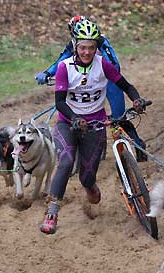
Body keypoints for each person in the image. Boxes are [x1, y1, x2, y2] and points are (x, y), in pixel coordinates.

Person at [40, 19, 149, 234]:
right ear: (75, 45)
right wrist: (74, 118)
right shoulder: (65, 68)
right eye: (82, 47)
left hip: (96, 124)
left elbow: (126, 85)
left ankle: (89, 185)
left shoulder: (102, 64)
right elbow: (60, 102)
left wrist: (137, 99)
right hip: (68, 123)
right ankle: (52, 214)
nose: (87, 52)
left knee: (87, 177)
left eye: (91, 47)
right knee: (66, 161)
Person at [35, 15, 147, 162]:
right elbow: (61, 60)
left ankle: (138, 144)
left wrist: (104, 74)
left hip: (107, 79)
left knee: (119, 118)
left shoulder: (100, 40)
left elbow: (113, 62)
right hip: (87, 81)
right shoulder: (73, 44)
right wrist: (47, 73)